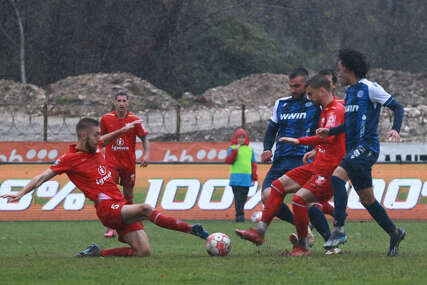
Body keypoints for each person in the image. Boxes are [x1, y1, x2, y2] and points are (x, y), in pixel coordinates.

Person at [0, 118, 209, 257]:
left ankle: (97, 253)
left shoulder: (96, 147)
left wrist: (123, 131)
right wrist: (21, 193)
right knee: (145, 208)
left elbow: (106, 140)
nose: (99, 139)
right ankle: (190, 229)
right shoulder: (70, 159)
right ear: (83, 137)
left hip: (120, 204)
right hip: (108, 209)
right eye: (95, 135)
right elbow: (42, 176)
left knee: (142, 252)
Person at [236, 74, 346, 256]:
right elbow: (327, 137)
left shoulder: (333, 108)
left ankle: (326, 241)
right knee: (274, 190)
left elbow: (330, 136)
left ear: (320, 90)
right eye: (291, 86)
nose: (308, 98)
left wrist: (301, 142)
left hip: (323, 166)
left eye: (306, 91)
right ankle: (260, 232)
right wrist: (315, 148)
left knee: (303, 202)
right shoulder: (290, 104)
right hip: (294, 160)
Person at [316, 48, 405, 256]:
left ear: (348, 68)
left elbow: (398, 108)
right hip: (354, 150)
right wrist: (331, 131)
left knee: (337, 178)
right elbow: (349, 124)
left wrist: (395, 128)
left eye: (340, 69)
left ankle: (338, 230)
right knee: (367, 200)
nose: (338, 74)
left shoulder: (370, 88)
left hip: (367, 148)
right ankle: (395, 232)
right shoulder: (349, 92)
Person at [260, 67, 333, 246]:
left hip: (303, 158)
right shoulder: (281, 103)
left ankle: (331, 241)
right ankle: (303, 227)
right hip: (281, 159)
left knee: (304, 200)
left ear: (307, 84)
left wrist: (318, 149)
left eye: (297, 86)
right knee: (266, 196)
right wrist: (267, 148)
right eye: (291, 86)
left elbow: (326, 130)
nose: (293, 90)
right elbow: (271, 130)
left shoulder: (316, 103)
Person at [100, 89, 150, 238]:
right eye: (119, 101)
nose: (121, 104)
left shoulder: (135, 120)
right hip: (111, 163)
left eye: (124, 101)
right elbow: (102, 139)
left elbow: (145, 139)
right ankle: (111, 228)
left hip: (128, 164)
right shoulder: (106, 118)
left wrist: (146, 155)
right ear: (114, 102)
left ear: (128, 103)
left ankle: (131, 224)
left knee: (128, 196)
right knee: (111, 195)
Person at [225, 128, 258, 222]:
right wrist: (235, 151)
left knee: (243, 197)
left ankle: (240, 214)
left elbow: (253, 164)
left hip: (246, 177)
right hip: (235, 177)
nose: (241, 139)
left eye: (243, 137)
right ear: (236, 138)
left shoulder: (249, 149)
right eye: (239, 137)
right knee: (237, 197)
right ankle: (239, 215)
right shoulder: (232, 148)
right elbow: (229, 161)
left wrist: (254, 176)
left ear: (245, 138)